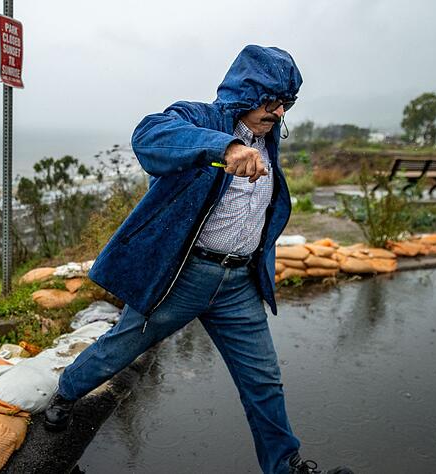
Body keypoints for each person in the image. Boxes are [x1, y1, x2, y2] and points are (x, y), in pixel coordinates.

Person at [44, 45, 353, 474]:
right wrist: (223, 147)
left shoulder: (267, 138)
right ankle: (65, 392)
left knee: (263, 381)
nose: (279, 111)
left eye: (287, 103)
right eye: (272, 100)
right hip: (184, 278)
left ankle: (286, 467)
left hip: (238, 285)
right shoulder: (199, 118)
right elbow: (149, 135)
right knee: (119, 347)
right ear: (247, 91)